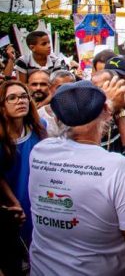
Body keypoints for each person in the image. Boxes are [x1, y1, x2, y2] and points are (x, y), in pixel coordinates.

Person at [28, 81, 125, 275]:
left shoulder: (40, 152)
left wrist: (107, 105)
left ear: (57, 117)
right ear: (106, 112)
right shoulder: (116, 167)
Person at [0, 80, 46, 265]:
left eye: (23, 96)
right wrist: (13, 202)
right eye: (12, 98)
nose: (20, 101)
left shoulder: (39, 127)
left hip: (38, 200)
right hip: (12, 204)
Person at [35, 69, 75, 138]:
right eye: (60, 88)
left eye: (69, 88)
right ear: (50, 88)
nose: (65, 92)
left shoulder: (80, 115)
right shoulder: (39, 115)